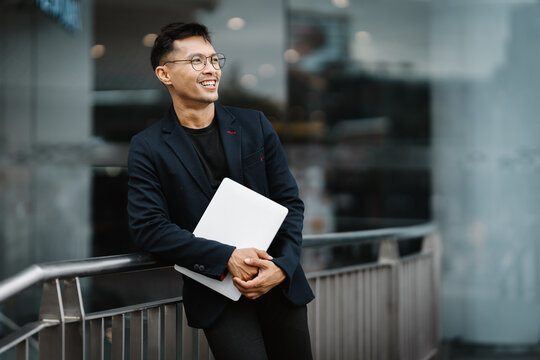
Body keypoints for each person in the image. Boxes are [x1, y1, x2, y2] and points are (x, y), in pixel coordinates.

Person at [127, 22, 314, 359]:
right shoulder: (148, 146)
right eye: (196, 61)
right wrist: (226, 257)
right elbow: (149, 228)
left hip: (278, 282)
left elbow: (289, 203)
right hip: (216, 292)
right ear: (164, 73)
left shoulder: (254, 124)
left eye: (214, 59)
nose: (210, 68)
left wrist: (284, 266)